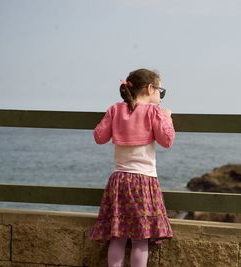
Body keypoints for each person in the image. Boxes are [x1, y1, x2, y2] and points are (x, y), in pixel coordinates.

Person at [89, 68, 175, 267]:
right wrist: (167, 117)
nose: (160, 97)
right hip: (143, 182)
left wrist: (111, 116)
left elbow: (99, 137)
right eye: (160, 91)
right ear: (149, 88)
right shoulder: (154, 112)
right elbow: (167, 140)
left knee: (117, 236)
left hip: (118, 181)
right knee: (140, 238)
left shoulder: (115, 109)